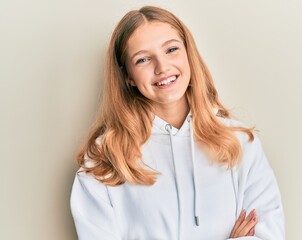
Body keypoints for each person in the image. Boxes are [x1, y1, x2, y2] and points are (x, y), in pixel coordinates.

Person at [70, 5, 285, 240]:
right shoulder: (103, 161)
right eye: (142, 59)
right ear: (128, 75)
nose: (162, 68)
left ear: (188, 53)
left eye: (171, 49)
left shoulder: (241, 144)